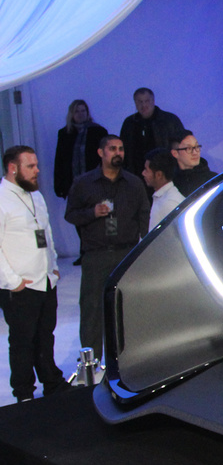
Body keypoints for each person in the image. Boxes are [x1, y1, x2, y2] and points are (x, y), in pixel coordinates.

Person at [65, 135, 150, 359]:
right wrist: (92, 213)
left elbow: (144, 215)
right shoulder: (84, 183)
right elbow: (70, 215)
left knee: (127, 309)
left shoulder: (133, 183)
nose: (118, 153)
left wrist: (144, 249)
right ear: (101, 153)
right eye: (112, 149)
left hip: (126, 253)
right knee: (92, 310)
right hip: (96, 255)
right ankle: (91, 363)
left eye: (121, 149)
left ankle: (128, 361)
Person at [0, 146, 70, 402]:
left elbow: (46, 232)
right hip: (21, 286)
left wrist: (53, 266)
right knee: (22, 342)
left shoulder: (35, 195)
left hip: (45, 280)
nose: (37, 170)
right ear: (13, 168)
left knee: (45, 336)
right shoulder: (2, 199)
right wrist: (13, 281)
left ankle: (52, 383)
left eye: (36, 165)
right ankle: (24, 394)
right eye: (30, 166)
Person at [119, 87, 186, 181]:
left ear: (153, 101)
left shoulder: (170, 121)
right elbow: (124, 150)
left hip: (166, 176)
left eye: (147, 101)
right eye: (140, 102)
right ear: (135, 103)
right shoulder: (129, 124)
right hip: (137, 177)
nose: (144, 105)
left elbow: (183, 146)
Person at [53, 99, 108, 199]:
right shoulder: (64, 133)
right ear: (72, 114)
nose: (80, 114)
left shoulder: (98, 131)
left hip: (95, 181)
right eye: (77, 111)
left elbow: (105, 158)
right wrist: (59, 185)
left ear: (87, 112)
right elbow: (59, 160)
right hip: (72, 183)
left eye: (83, 111)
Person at [143, 148, 184, 229]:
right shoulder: (163, 199)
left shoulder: (170, 203)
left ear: (159, 175)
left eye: (146, 170)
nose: (143, 173)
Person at [171, 132, 216, 197]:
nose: (195, 152)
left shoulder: (213, 180)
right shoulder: (170, 184)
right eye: (188, 148)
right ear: (175, 153)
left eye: (197, 147)